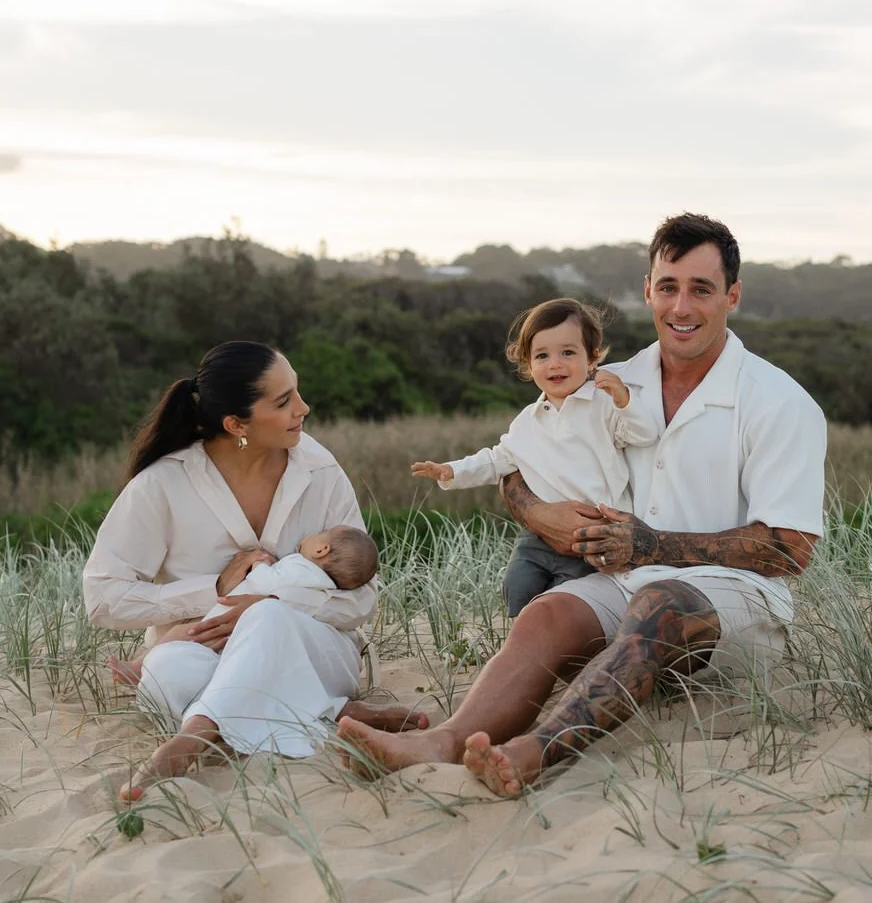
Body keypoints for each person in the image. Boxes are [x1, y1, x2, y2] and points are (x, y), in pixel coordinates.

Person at [339, 213, 826, 797]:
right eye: (668, 286)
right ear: (647, 289)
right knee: (546, 611)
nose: (681, 306)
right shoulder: (601, 382)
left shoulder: (778, 402)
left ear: (733, 296)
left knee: (661, 599)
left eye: (702, 289)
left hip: (735, 607)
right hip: (623, 580)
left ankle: (534, 751)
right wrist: (537, 513)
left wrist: (655, 545)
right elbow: (518, 463)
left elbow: (792, 550)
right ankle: (445, 741)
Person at [82, 341, 423, 802]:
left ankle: (196, 734)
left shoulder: (319, 471)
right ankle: (337, 711)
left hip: (309, 649)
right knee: (167, 673)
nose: (304, 408)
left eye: (296, 393)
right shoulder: (163, 483)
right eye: (284, 402)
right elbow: (102, 598)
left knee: (268, 619)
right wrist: (214, 592)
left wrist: (270, 603)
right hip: (201, 651)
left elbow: (363, 598)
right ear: (236, 425)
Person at [410, 297, 659, 616]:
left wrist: (625, 400)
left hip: (594, 537)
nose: (555, 363)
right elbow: (496, 459)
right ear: (529, 366)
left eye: (568, 352)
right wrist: (451, 471)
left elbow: (644, 435)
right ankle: (524, 644)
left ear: (593, 358)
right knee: (517, 586)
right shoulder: (527, 421)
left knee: (568, 601)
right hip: (538, 536)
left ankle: (563, 653)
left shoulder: (603, 405)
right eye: (542, 355)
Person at [107, 525, 380, 688]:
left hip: (227, 618)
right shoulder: (325, 583)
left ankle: (139, 667)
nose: (313, 535)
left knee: (182, 635)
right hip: (249, 633)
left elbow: (265, 584)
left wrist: (260, 563)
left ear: (321, 551)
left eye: (321, 534)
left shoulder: (300, 566)